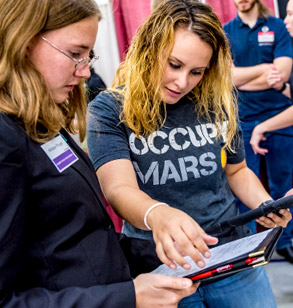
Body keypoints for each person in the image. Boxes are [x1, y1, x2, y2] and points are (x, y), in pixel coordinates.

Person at [87, 1, 292, 307]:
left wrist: (264, 204)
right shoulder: (109, 109)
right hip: (161, 267)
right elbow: (118, 189)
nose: (182, 82)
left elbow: (236, 172)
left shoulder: (217, 101)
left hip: (232, 256)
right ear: (149, 49)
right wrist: (157, 214)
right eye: (174, 65)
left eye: (197, 71)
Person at [0, 0, 200, 307]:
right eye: (75, 54)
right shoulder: (6, 139)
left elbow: (75, 239)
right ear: (23, 41)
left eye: (88, 56)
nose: (84, 72)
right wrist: (129, 296)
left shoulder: (41, 122)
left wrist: (162, 251)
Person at [223, 0, 293, 257]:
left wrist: (243, 77)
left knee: (284, 186)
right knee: (244, 184)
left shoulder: (279, 26)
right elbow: (226, 78)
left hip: (280, 116)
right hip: (242, 120)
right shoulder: (225, 31)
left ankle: (285, 242)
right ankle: (251, 246)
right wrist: (264, 70)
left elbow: (282, 73)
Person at [249, 0, 293, 262]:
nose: (286, 20)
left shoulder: (276, 29)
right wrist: (277, 85)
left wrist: (263, 126)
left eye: (290, 14)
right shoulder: (230, 29)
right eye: (286, 13)